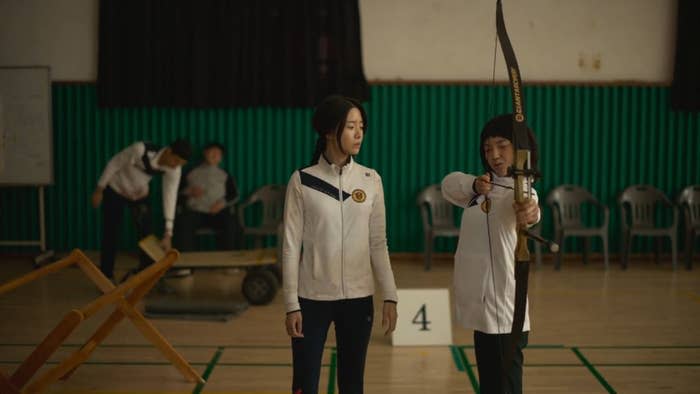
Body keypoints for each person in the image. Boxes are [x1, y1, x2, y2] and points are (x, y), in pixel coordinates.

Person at [282, 95, 398, 394]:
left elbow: (378, 243)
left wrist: (390, 296)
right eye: (351, 126)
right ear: (329, 131)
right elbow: (291, 246)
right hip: (311, 300)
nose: (359, 133)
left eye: (362, 126)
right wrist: (291, 304)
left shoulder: (371, 180)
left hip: (359, 300)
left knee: (352, 384)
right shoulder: (302, 181)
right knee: (304, 384)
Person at [441, 114, 540, 394]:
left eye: (502, 146)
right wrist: (475, 184)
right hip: (483, 310)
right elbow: (449, 184)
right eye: (487, 148)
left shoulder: (519, 190)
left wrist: (529, 210)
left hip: (506, 311)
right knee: (490, 386)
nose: (494, 155)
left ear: (520, 149)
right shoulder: (480, 188)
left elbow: (529, 204)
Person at [91, 139, 191, 282]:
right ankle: (106, 276)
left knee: (147, 234)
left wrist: (168, 233)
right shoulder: (140, 149)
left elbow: (170, 195)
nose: (176, 166)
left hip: (139, 195)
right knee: (111, 233)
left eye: (180, 164)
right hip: (115, 190)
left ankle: (147, 274)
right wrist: (99, 189)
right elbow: (114, 163)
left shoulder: (174, 169)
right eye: (175, 160)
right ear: (168, 151)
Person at [174, 142, 241, 251]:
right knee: (183, 222)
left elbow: (234, 195)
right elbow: (176, 192)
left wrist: (222, 203)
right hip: (195, 212)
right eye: (212, 152)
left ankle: (229, 263)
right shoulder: (190, 172)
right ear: (205, 153)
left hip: (217, 212)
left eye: (218, 154)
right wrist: (188, 191)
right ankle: (186, 263)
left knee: (232, 223)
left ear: (221, 158)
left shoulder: (225, 174)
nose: (215, 155)